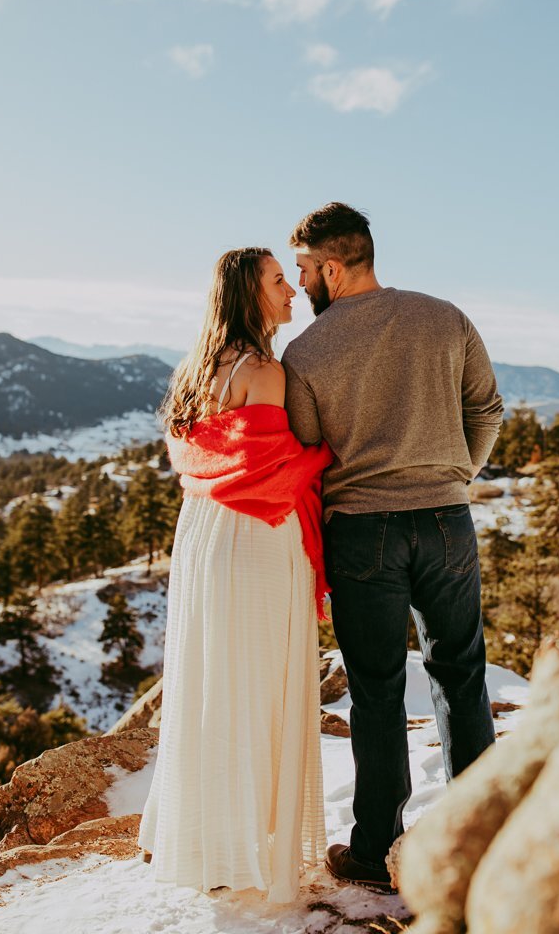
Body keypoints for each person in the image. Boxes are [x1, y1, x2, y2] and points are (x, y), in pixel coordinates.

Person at [281, 202, 504, 892]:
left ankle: (377, 851)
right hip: (445, 520)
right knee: (461, 674)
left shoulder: (307, 352)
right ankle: (484, 838)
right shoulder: (446, 317)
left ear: (334, 268)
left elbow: (310, 445)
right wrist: (454, 475)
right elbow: (487, 410)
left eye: (305, 271)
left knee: (376, 692)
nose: (302, 286)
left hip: (362, 530)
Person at [140, 247, 329, 907]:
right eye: (279, 281)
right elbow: (274, 472)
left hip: (201, 534)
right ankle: (246, 848)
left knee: (210, 683)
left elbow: (210, 461)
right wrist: (329, 453)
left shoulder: (193, 371)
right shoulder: (264, 370)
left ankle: (201, 839)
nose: (291, 292)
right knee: (257, 690)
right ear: (251, 295)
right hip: (256, 535)